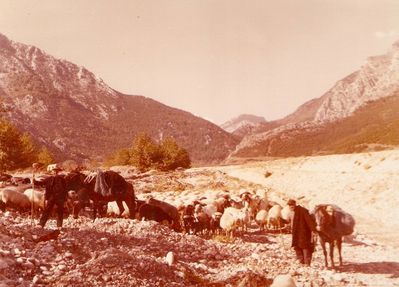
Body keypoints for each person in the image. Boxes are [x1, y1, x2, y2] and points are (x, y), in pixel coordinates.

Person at [287, 199, 317, 266]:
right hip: (296, 233)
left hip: (304, 233)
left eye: (292, 205)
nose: (291, 206)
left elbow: (309, 221)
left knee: (305, 247)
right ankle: (301, 261)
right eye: (289, 205)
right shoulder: (293, 212)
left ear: (295, 204)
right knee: (297, 246)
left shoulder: (303, 211)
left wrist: (313, 230)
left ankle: (307, 263)